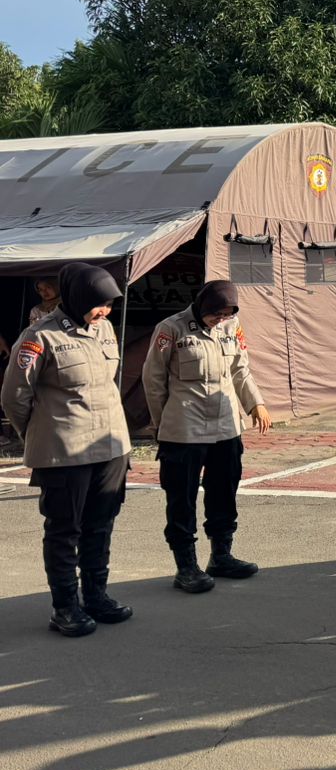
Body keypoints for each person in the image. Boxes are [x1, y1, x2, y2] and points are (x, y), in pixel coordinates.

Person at [1, 264, 133, 637]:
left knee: (101, 525)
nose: (104, 311)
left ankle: (96, 597)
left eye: (109, 304)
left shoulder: (104, 329)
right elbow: (14, 396)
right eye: (97, 304)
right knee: (64, 530)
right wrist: (39, 434)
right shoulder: (39, 336)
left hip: (111, 446)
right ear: (76, 299)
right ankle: (65, 607)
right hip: (64, 452)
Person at [143, 280, 274, 594]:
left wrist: (255, 403)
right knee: (182, 498)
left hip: (225, 426)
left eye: (227, 314)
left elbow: (240, 368)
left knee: (224, 491)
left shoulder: (231, 326)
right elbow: (153, 379)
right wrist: (162, 424)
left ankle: (221, 555)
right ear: (203, 306)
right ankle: (186, 566)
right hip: (184, 428)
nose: (221, 319)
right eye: (217, 313)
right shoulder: (171, 329)